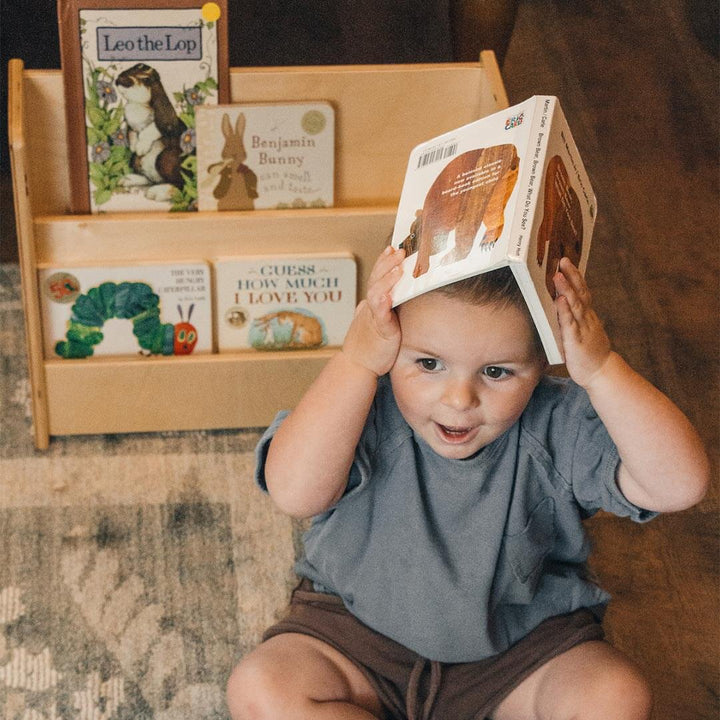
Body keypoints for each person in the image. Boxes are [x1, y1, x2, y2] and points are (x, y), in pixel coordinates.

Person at [226, 247, 709, 720]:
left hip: (519, 647)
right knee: (260, 688)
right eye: (429, 364)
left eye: (496, 372)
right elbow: (294, 492)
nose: (459, 400)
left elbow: (678, 486)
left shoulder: (558, 423)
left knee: (615, 697)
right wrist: (354, 362)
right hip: (355, 636)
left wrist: (603, 371)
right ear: (389, 343)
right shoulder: (362, 406)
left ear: (543, 363)